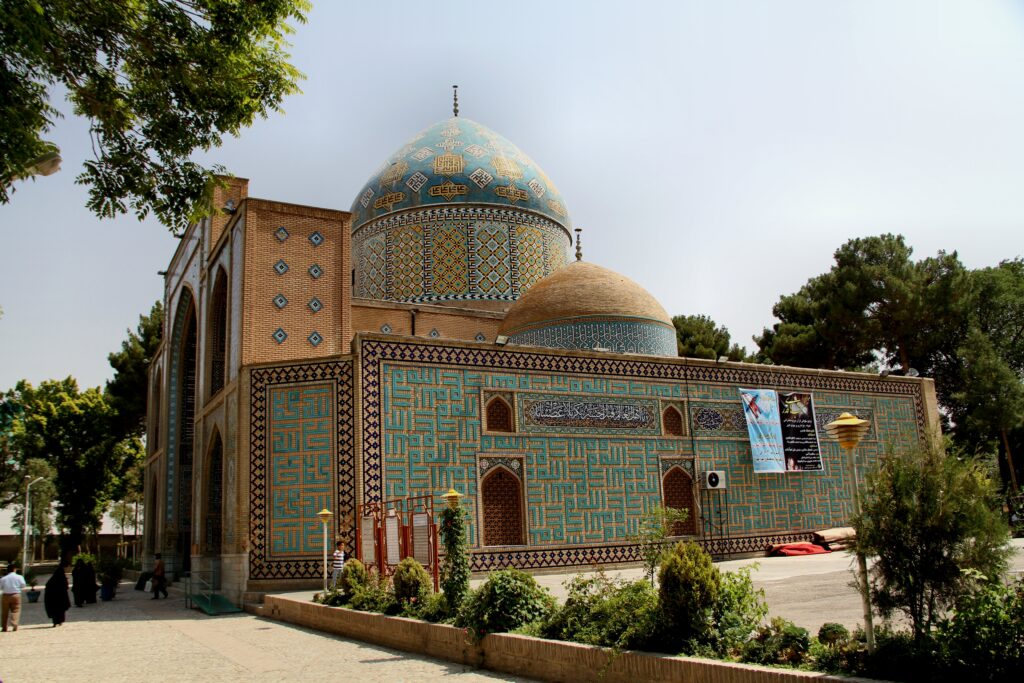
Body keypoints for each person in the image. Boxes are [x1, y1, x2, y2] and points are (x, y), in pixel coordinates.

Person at [44, 561, 71, 627]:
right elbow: (66, 586)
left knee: (54, 610)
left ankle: (55, 622)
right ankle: (60, 621)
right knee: (60, 610)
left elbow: (47, 587)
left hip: (53, 598)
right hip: (61, 598)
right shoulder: (62, 578)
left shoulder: (52, 580)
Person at [1, 563, 27, 632]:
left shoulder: (3, 578)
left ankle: (4, 627)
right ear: (14, 569)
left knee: (5, 612)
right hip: (16, 595)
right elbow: (23, 585)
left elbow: (1, 587)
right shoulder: (19, 577)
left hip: (6, 595)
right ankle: (14, 623)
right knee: (16, 610)